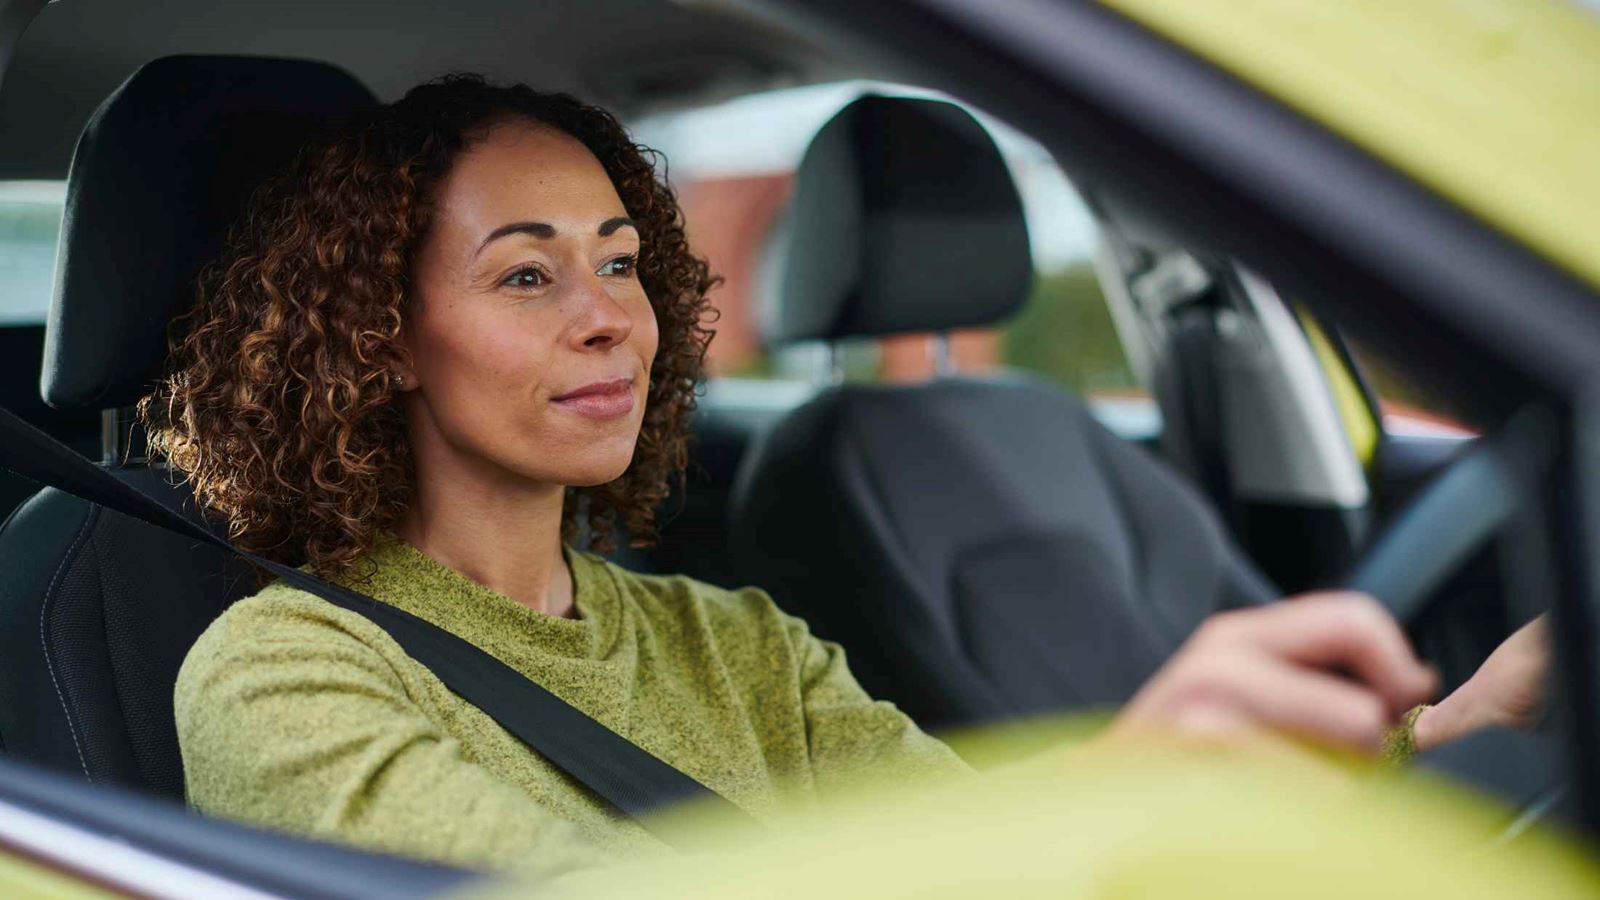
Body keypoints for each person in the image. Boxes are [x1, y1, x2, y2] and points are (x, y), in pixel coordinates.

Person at [143, 75, 1546, 875]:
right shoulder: (281, 674)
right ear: (378, 339)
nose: (609, 316)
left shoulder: (734, 641)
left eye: (623, 263)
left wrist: (1449, 737)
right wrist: (1121, 776)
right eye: (528, 272)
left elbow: (976, 841)